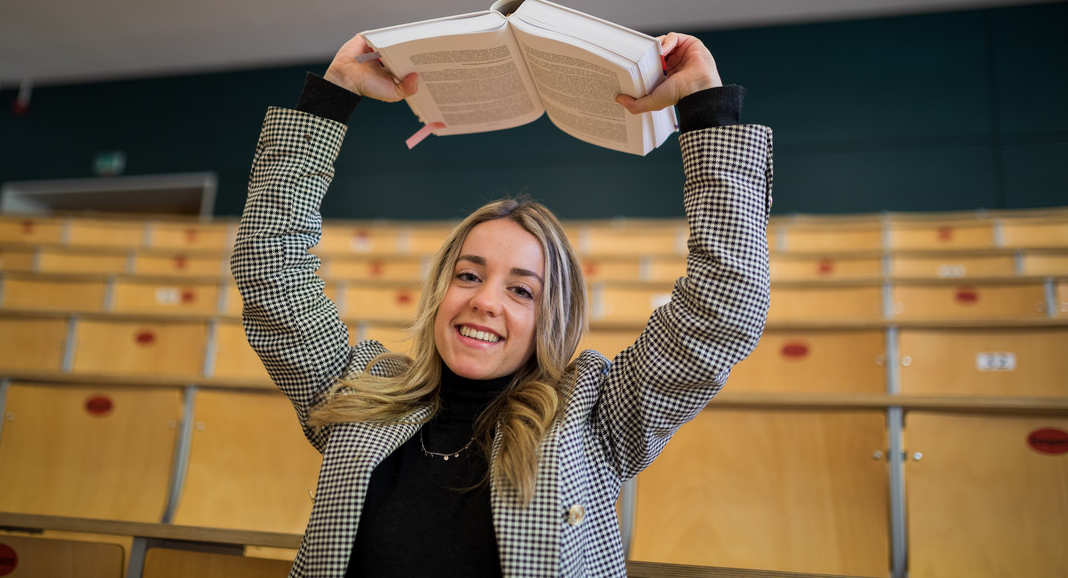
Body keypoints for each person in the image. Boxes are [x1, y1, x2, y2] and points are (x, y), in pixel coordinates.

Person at [231, 31, 773, 578]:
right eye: (469, 275)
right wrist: (336, 92)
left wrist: (706, 104)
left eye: (522, 290)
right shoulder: (358, 387)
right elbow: (268, 266)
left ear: (551, 316)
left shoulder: (596, 416)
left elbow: (724, 304)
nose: (485, 302)